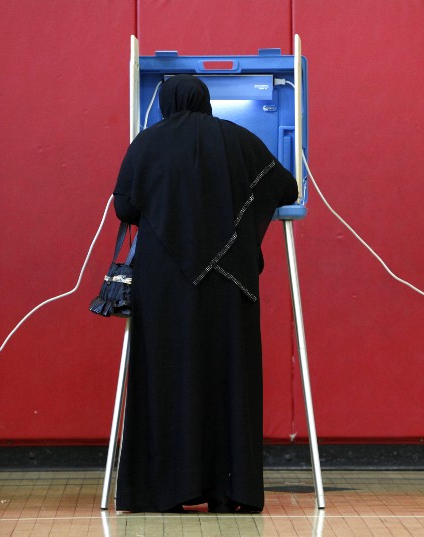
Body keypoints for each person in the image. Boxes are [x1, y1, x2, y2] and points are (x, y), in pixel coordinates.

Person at [112, 74, 298, 513]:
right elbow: (284, 187)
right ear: (205, 100)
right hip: (229, 281)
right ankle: (229, 491)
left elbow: (125, 207)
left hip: (163, 284)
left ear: (168, 103)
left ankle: (164, 491)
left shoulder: (147, 142)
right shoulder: (240, 139)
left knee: (165, 376)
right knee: (228, 374)